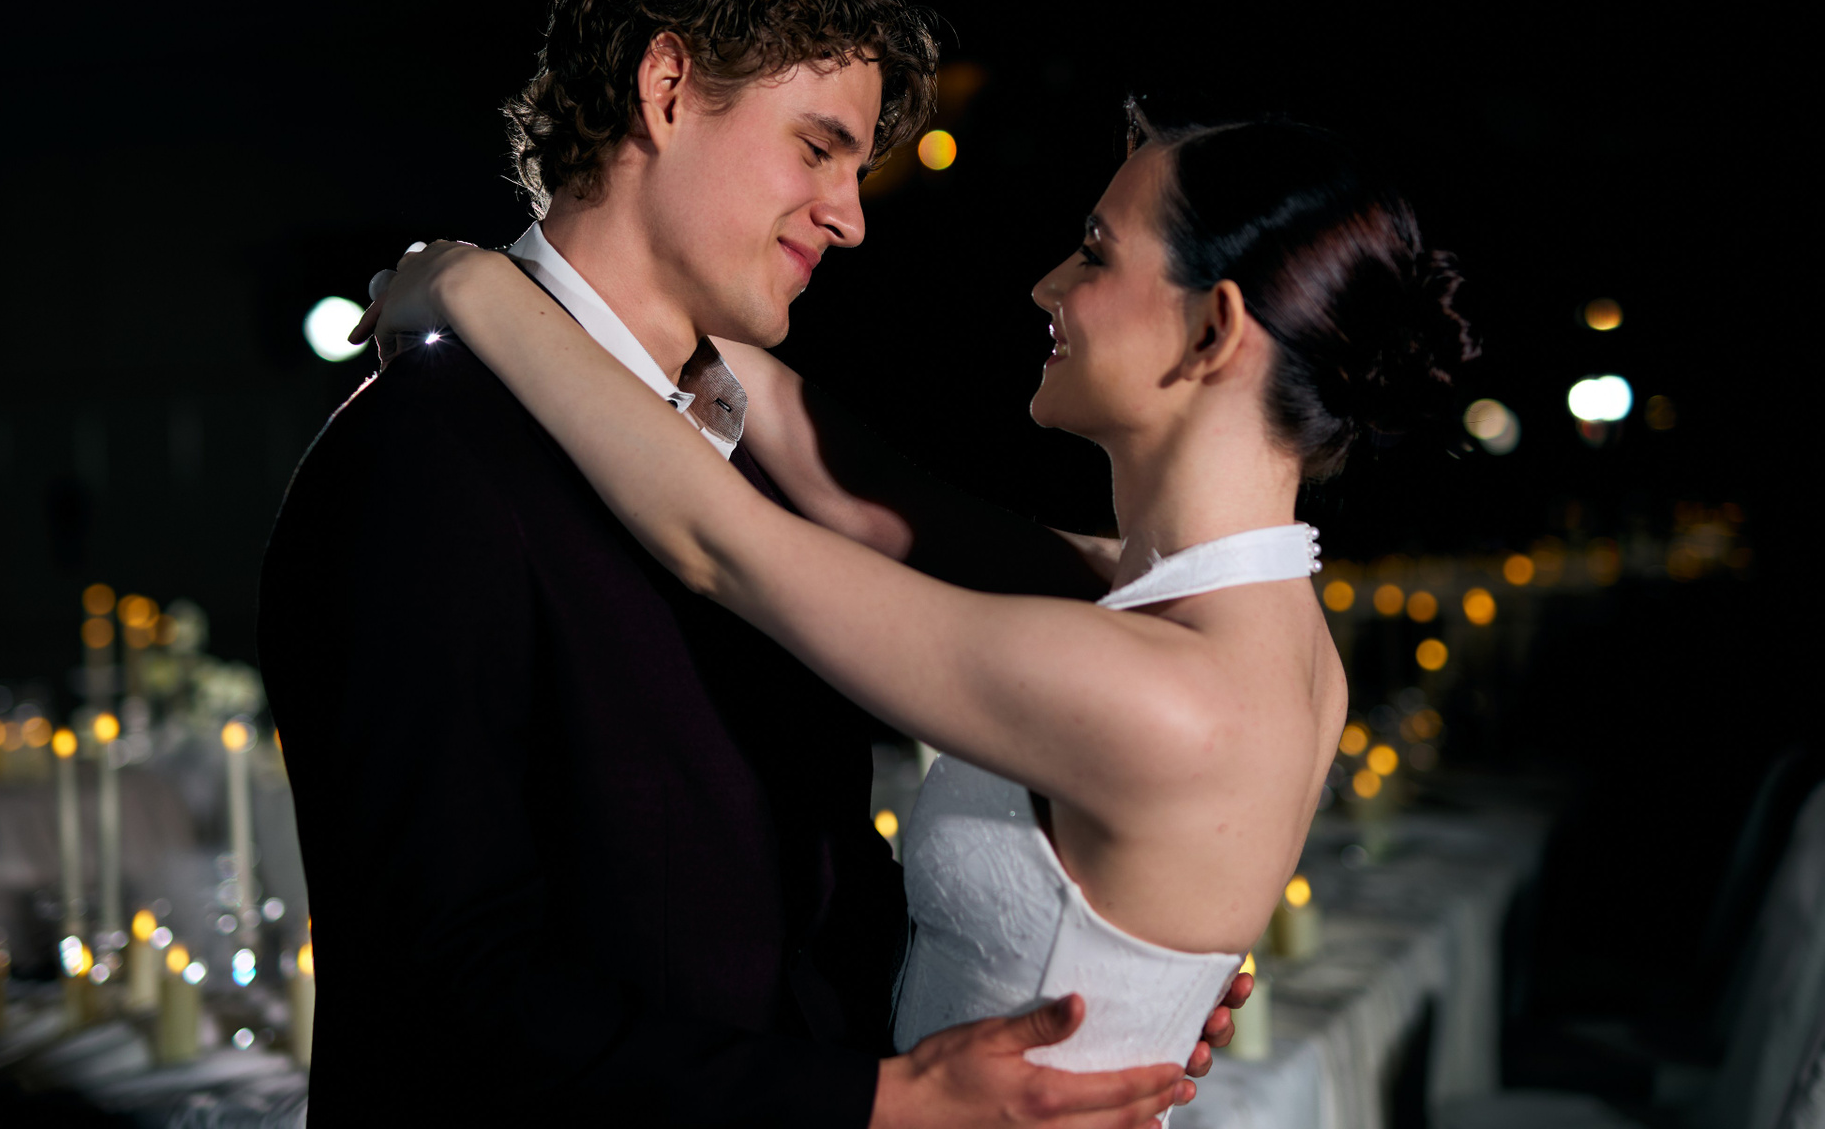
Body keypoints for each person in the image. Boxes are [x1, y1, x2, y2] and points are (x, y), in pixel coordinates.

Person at [260, 0, 1236, 1127]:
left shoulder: (760, 460)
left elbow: (795, 895)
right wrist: (874, 1099)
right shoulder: (421, 459)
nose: (852, 216)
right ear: (667, 89)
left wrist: (1084, 978)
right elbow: (447, 994)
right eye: (819, 148)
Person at [359, 105, 1478, 1116]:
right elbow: (860, 492)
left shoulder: (1167, 696)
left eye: (1096, 252)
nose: (1047, 286)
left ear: (1213, 330)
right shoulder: (1233, 621)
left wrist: (468, 288)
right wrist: (642, 280)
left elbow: (721, 544)